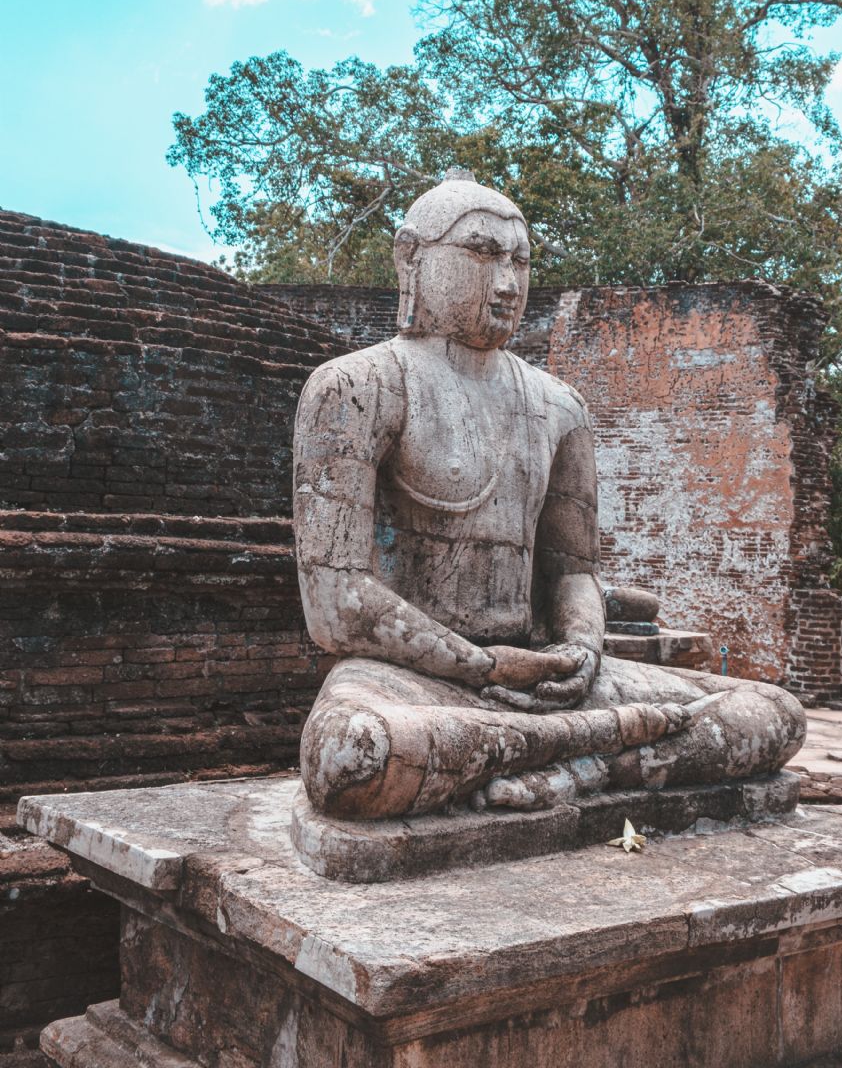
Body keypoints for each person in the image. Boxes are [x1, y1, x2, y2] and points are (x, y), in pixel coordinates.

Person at [293, 169, 805, 819]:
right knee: (352, 755)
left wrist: (580, 649)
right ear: (409, 258)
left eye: (521, 260)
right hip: (412, 679)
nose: (506, 283)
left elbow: (571, 571)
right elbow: (337, 602)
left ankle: (583, 767)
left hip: (545, 683)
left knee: (771, 716)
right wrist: (483, 666)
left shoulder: (558, 406)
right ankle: (601, 751)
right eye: (480, 254)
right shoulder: (357, 387)